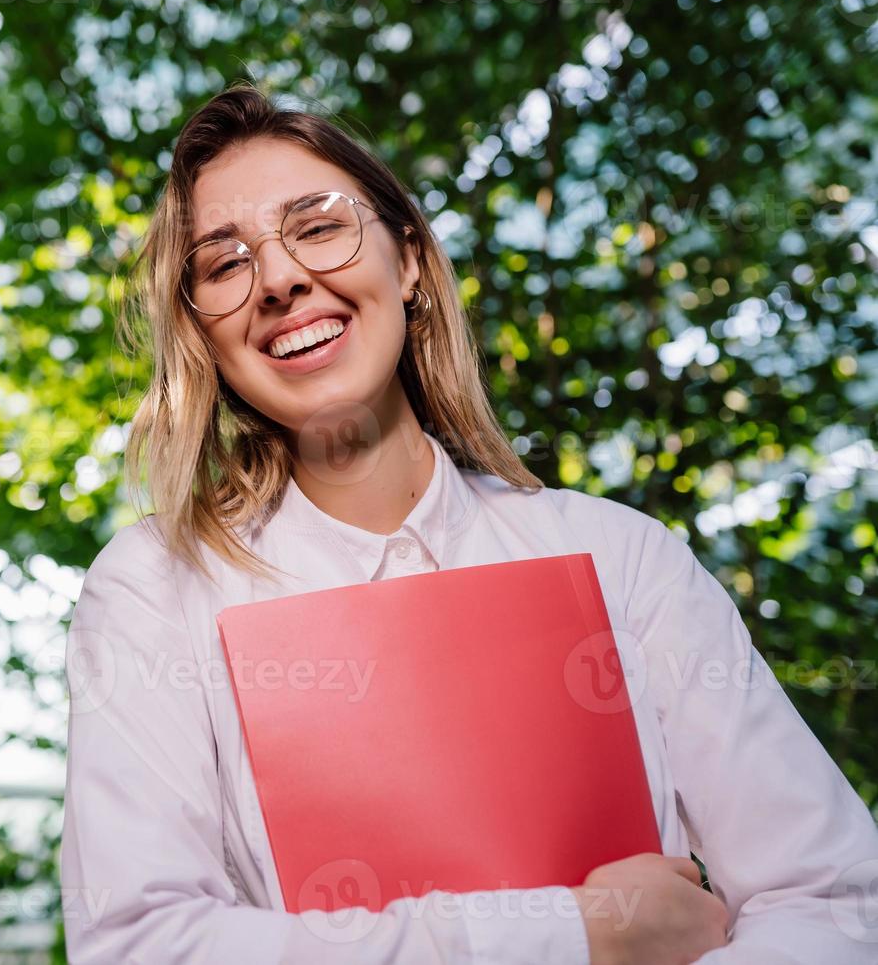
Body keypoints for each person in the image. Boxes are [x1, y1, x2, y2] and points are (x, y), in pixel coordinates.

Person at [57, 81, 878, 964]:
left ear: (408, 260)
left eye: (319, 226)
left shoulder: (619, 557)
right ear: (201, 334)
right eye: (224, 265)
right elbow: (139, 945)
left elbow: (833, 898)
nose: (283, 279)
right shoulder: (155, 590)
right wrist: (578, 935)